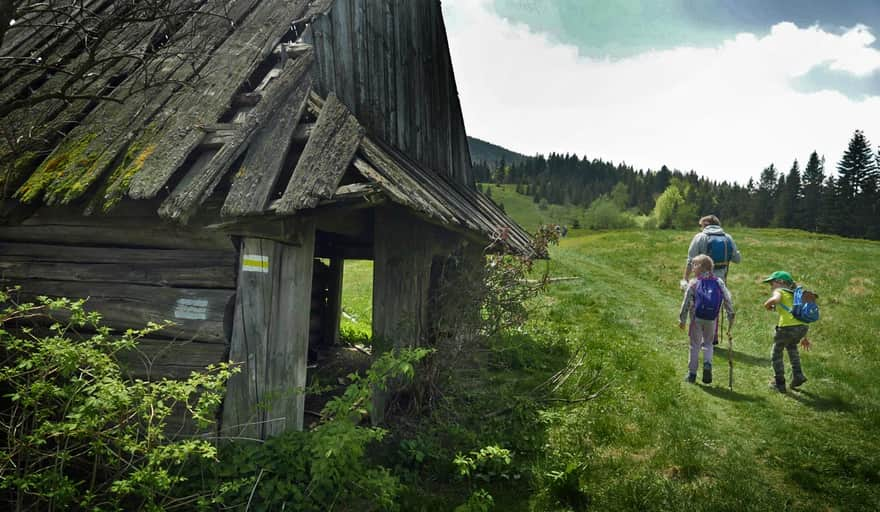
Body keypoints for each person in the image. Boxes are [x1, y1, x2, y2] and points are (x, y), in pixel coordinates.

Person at [678, 254, 734, 384]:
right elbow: (727, 299)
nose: (692, 267)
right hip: (711, 319)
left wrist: (682, 320)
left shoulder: (694, 282)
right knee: (708, 343)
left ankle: (692, 374)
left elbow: (685, 303)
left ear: (700, 267)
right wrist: (730, 317)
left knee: (694, 345)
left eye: (694, 264)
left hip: (696, 319)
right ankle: (707, 364)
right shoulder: (719, 282)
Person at [762, 271, 811, 393]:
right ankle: (798, 375)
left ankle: (779, 383)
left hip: (786, 328)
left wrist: (767, 304)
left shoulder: (780, 291)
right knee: (792, 347)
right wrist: (804, 337)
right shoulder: (796, 294)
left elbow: (775, 299)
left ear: (780, 282)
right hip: (802, 327)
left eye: (772, 283)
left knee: (776, 353)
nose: (771, 286)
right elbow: (801, 315)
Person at [682, 215, 741, 284]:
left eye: (700, 226)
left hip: (702, 280)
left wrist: (685, 278)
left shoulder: (700, 237)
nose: (700, 228)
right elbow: (737, 259)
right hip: (721, 281)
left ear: (705, 225)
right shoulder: (728, 237)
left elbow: (690, 260)